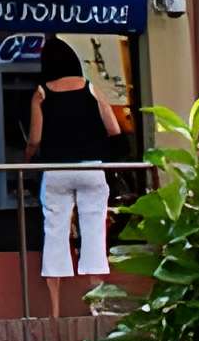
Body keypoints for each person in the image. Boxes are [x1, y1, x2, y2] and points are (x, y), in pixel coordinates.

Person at [25, 35, 126, 284]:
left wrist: (26, 159)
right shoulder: (91, 87)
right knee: (93, 231)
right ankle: (95, 300)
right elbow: (114, 129)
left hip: (56, 169)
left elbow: (35, 139)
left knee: (56, 233)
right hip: (91, 168)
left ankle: (56, 312)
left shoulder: (41, 93)